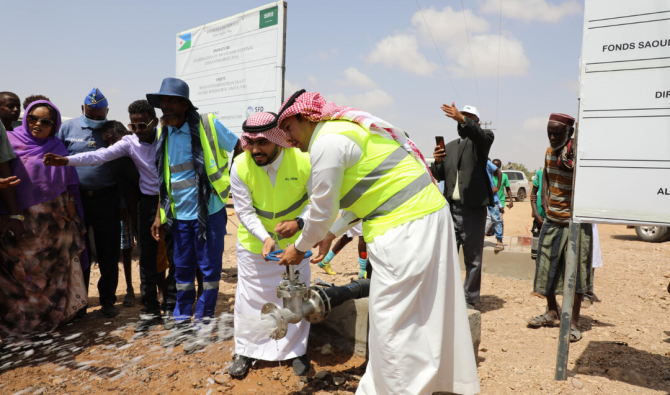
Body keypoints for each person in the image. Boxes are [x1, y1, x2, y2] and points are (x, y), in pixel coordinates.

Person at [276, 90, 479, 395]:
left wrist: (300, 247)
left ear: (306, 117)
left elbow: (321, 210)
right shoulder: (344, 131)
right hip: (423, 218)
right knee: (424, 312)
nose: (288, 139)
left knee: (391, 323)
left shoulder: (325, 142)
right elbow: (366, 192)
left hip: (407, 227)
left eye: (289, 129)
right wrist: (331, 232)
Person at [45, 99, 177, 332]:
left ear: (154, 122)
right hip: (147, 203)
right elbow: (98, 156)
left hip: (173, 202)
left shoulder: (169, 138)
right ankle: (150, 310)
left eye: (142, 126)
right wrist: (66, 161)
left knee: (176, 255)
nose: (137, 131)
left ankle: (173, 304)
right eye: (133, 126)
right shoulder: (129, 142)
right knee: (146, 257)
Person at [147, 78, 238, 351]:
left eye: (172, 101)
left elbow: (239, 146)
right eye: (163, 102)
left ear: (185, 104)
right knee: (183, 272)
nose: (166, 107)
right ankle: (183, 324)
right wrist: (158, 215)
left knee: (209, 272)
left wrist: (238, 189)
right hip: (178, 215)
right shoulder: (165, 133)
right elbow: (166, 179)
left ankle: (203, 326)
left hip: (209, 212)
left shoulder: (207, 124)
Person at [228, 112, 312, 377]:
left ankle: (295, 351)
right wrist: (265, 237)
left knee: (294, 297)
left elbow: (319, 202)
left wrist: (299, 222)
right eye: (250, 142)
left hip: (297, 246)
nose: (255, 149)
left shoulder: (303, 160)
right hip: (255, 246)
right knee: (250, 300)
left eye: (262, 142)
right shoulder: (240, 165)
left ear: (278, 139)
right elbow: (245, 211)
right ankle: (246, 351)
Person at [0, 100, 88, 336]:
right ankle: (20, 325)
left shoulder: (57, 145)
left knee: (50, 273)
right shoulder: (9, 140)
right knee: (20, 274)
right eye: (33, 119)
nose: (38, 124)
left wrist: (70, 203)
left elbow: (70, 180)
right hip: (19, 220)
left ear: (54, 125)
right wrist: (11, 215)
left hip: (52, 223)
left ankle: (47, 322)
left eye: (45, 121)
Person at [527, 113, 592, 343]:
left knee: (575, 273)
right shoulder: (548, 152)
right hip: (552, 220)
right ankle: (552, 311)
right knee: (546, 268)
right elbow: (544, 174)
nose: (552, 137)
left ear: (569, 134)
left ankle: (574, 321)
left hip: (575, 224)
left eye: (557, 133)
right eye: (549, 133)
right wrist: (544, 198)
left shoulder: (578, 155)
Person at [56, 88, 120, 318]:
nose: (95, 119)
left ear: (107, 111)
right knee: (78, 251)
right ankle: (80, 302)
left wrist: (121, 204)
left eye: (100, 115)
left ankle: (108, 300)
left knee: (108, 252)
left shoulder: (113, 128)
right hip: (77, 201)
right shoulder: (67, 128)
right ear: (83, 109)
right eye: (91, 114)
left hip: (107, 198)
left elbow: (122, 165)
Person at [431, 103, 495, 309]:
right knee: (447, 255)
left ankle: (469, 299)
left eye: (466, 118)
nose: (460, 121)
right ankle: (447, 296)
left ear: (475, 122)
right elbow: (439, 175)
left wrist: (462, 118)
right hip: (450, 209)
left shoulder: (483, 140)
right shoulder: (450, 146)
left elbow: (478, 136)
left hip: (473, 209)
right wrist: (438, 161)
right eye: (459, 117)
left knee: (473, 258)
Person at [100, 121, 140, 309]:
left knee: (150, 247)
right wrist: (122, 205)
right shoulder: (113, 154)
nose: (112, 146)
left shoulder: (136, 148)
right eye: (108, 143)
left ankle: (156, 289)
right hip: (121, 207)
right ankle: (130, 289)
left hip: (141, 205)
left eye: (114, 140)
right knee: (126, 250)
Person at [485, 159, 504, 251]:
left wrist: (498, 187)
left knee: (496, 218)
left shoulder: (485, 162)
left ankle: (499, 241)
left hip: (492, 196)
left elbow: (499, 172)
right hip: (479, 197)